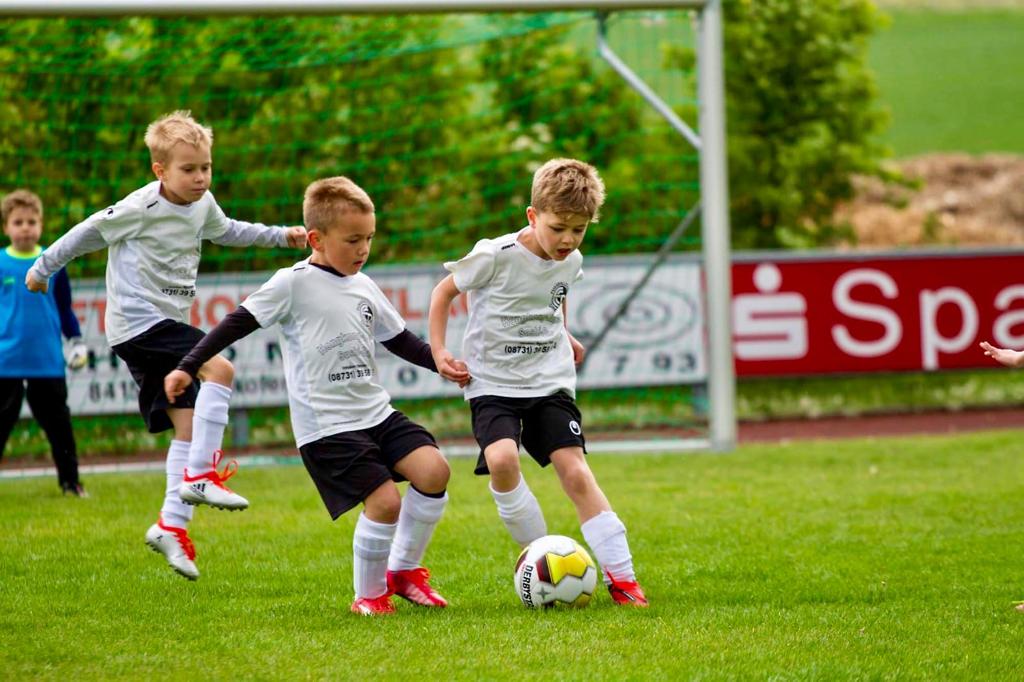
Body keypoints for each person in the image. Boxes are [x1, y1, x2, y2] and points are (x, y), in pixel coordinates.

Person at [25, 111, 307, 580]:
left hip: (163, 325)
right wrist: (42, 267)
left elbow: (229, 230)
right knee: (221, 370)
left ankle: (170, 527)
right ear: (160, 171)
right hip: (140, 325)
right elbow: (85, 233)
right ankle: (201, 477)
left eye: (206, 168)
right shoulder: (140, 207)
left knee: (188, 424)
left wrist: (281, 236)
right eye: (189, 170)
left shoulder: (202, 203)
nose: (200, 178)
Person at [165, 176, 464, 615]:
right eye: (353, 240)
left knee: (434, 471)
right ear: (316, 239)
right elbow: (236, 323)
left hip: (375, 413)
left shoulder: (364, 284)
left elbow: (399, 339)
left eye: (369, 238)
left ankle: (403, 572)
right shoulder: (292, 282)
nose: (363, 249)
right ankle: (369, 595)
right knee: (384, 502)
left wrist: (440, 361)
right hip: (327, 427)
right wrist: (188, 365)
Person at [428, 158, 648, 607]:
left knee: (576, 471)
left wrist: (563, 333)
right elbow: (442, 293)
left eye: (579, 230)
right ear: (533, 216)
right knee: (504, 460)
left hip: (549, 380)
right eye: (558, 228)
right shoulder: (495, 255)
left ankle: (624, 580)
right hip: (491, 383)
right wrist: (439, 351)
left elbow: (555, 296)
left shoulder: (572, 261)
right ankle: (544, 556)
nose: (568, 240)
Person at [1, 189, 89, 496]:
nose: (25, 227)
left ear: (40, 224)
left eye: (31, 221)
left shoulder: (53, 261)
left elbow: (64, 308)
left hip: (47, 361)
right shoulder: (0, 263)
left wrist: (75, 341)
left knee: (59, 428)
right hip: (5, 361)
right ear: (6, 227)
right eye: (18, 222)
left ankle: (71, 483)